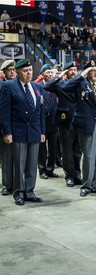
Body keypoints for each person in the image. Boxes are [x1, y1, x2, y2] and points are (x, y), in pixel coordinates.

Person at [0, 59, 45, 205]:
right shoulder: (9, 86)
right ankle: (19, 192)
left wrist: (42, 131)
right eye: (25, 71)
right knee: (19, 164)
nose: (29, 73)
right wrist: (7, 132)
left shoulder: (36, 87)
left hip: (34, 130)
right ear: (18, 72)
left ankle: (29, 191)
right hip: (18, 130)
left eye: (30, 70)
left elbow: (40, 111)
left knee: (32, 164)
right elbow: (4, 111)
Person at [61, 60, 96, 197]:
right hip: (87, 124)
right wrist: (81, 75)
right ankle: (86, 185)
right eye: (92, 71)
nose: (95, 73)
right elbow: (65, 87)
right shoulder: (80, 84)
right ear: (87, 72)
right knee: (89, 155)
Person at [44, 61, 82, 188]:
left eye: (75, 70)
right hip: (66, 121)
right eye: (70, 70)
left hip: (79, 120)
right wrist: (60, 76)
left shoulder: (80, 83)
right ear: (66, 72)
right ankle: (69, 175)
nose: (73, 72)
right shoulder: (60, 83)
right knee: (67, 150)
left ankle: (77, 173)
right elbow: (47, 86)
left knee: (77, 150)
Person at [37, 64, 59, 179]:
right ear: (42, 74)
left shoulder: (55, 87)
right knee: (42, 147)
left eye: (51, 72)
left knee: (53, 147)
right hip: (42, 121)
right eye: (48, 72)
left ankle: (50, 168)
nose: (50, 74)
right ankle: (42, 169)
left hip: (54, 121)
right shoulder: (38, 86)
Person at [0, 60, 16, 196]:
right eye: (9, 69)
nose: (12, 72)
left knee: (18, 157)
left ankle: (17, 183)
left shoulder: (19, 84)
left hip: (19, 127)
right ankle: (6, 184)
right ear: (3, 72)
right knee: (6, 157)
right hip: (6, 126)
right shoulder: (2, 85)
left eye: (14, 69)